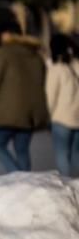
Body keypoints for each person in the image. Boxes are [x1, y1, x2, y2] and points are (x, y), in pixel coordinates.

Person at [0, 22, 49, 172]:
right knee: (22, 149)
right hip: (31, 112)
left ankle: (19, 178)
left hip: (8, 110)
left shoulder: (4, 53)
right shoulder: (35, 55)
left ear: (8, 34)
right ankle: (26, 184)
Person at [45, 34, 79, 177]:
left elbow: (50, 96)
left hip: (61, 119)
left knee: (62, 155)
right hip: (77, 118)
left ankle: (66, 186)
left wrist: (47, 116)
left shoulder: (56, 69)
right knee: (76, 155)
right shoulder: (76, 66)